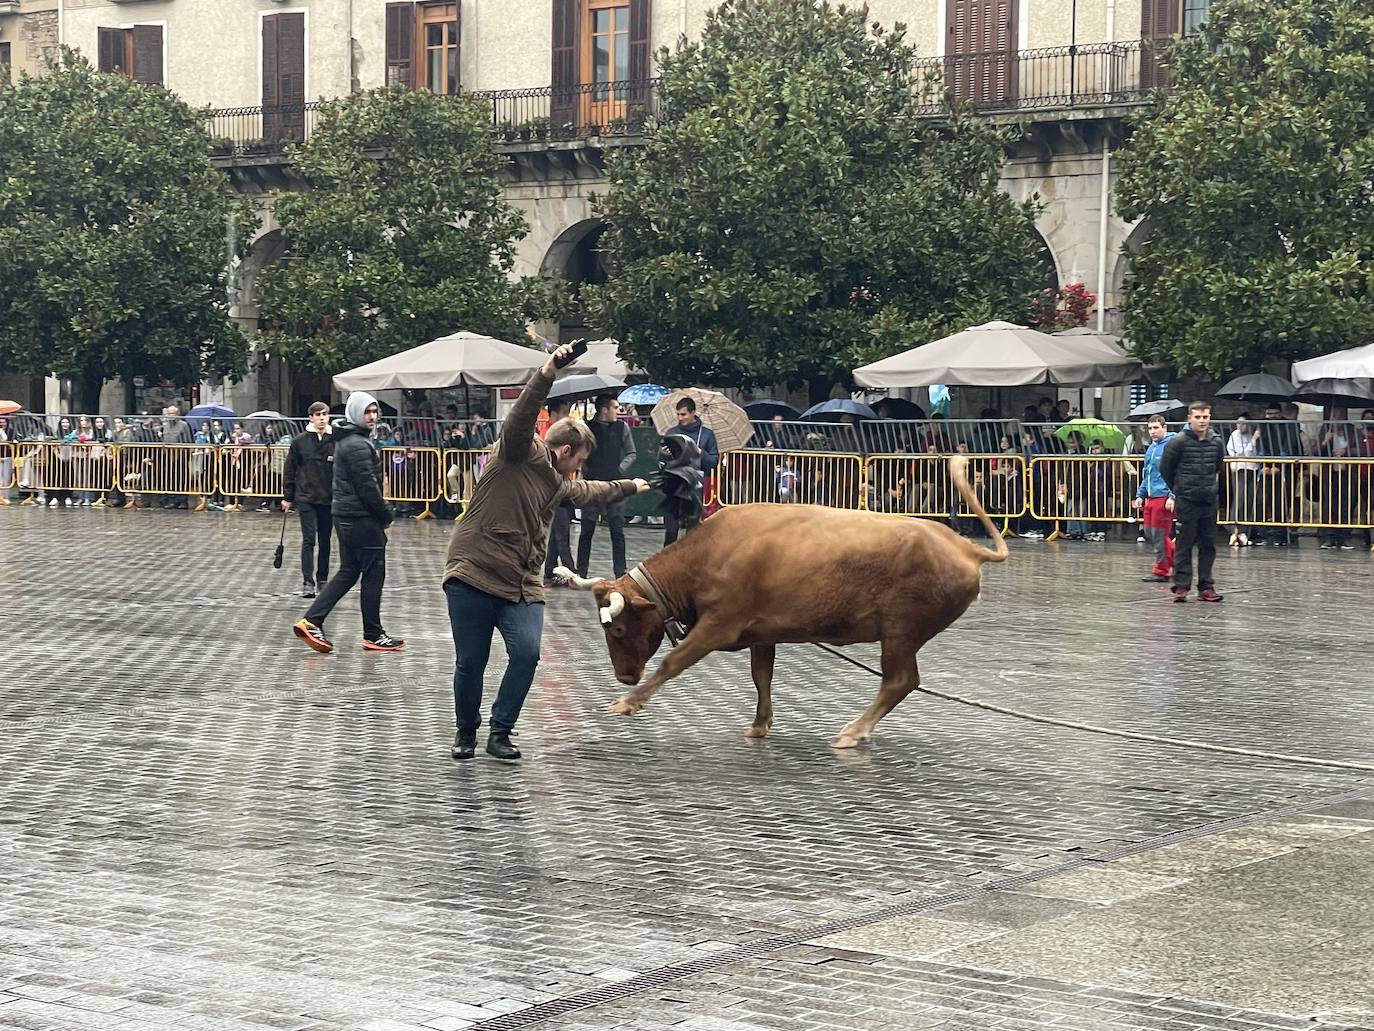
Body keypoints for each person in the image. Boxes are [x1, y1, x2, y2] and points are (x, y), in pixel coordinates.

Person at [442, 343, 651, 761]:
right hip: (474, 573)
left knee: (527, 653)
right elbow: (521, 415)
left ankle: (501, 731)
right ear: (563, 451)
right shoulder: (519, 452)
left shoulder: (558, 482)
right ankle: (466, 731)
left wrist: (629, 486)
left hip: (521, 584)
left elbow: (590, 491)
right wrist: (549, 369)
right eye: (579, 461)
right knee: (472, 661)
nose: (579, 470)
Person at [292, 392, 404, 654]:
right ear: (355, 413)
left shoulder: (347, 440)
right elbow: (367, 487)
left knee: (349, 571)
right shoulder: (356, 445)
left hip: (346, 516)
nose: (373, 417)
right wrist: (385, 515)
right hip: (361, 518)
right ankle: (373, 633)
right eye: (367, 412)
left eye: (375, 412)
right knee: (374, 573)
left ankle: (312, 620)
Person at [1160, 402, 1225, 602]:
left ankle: (1206, 585)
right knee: (1184, 544)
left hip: (1208, 500)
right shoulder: (1178, 442)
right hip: (1187, 500)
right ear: (1190, 418)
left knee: (1208, 545)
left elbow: (1218, 466)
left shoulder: (1216, 442)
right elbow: (1166, 469)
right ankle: (1181, 585)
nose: (1202, 420)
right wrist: (1179, 489)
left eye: (1205, 416)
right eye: (1198, 417)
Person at [575, 394, 638, 579]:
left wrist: (619, 470)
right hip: (592, 483)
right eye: (615, 407)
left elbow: (631, 452)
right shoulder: (587, 428)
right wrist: (586, 469)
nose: (618, 411)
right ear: (604, 409)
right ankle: (582, 571)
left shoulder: (622, 427)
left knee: (617, 530)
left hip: (614, 484)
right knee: (587, 530)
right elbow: (581, 452)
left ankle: (620, 571)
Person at [282, 401, 336, 599]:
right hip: (306, 497)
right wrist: (288, 496)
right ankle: (308, 581)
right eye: (318, 414)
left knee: (325, 540)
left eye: (325, 414)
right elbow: (290, 469)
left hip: (329, 498)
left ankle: (323, 579)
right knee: (309, 539)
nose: (322, 418)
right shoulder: (300, 441)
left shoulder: (335, 440)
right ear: (311, 417)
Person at [663, 396, 718, 545]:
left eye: (684, 414)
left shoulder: (706, 435)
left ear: (693, 412)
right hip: (674, 483)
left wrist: (699, 451)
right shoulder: (671, 432)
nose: (680, 418)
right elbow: (661, 460)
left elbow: (713, 462)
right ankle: (667, 562)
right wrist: (664, 455)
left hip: (695, 484)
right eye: (678, 414)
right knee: (671, 530)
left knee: (692, 530)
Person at [1132, 414, 1176, 582]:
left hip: (1163, 496)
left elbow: (1176, 473)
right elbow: (1147, 474)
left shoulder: (1170, 446)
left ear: (1165, 428)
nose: (1152, 431)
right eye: (1150, 428)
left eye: (1156, 428)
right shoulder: (1151, 448)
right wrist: (1140, 494)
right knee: (1151, 533)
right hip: (1151, 496)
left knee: (1158, 534)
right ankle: (1175, 558)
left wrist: (1172, 496)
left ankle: (1162, 570)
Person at [541, 398, 577, 586]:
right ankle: (572, 574)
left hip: (561, 488)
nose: (567, 416)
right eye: (564, 412)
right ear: (553, 414)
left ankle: (549, 573)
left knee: (557, 534)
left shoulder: (559, 436)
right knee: (562, 533)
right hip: (555, 490)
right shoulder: (548, 437)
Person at [1225, 414, 1262, 547]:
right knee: (1239, 499)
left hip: (1252, 468)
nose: (1240, 425)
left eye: (1243, 423)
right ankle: (1235, 530)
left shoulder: (1251, 433)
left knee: (1249, 500)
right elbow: (1242, 453)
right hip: (1240, 468)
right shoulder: (1235, 435)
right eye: (1238, 423)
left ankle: (1245, 531)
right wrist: (1253, 440)